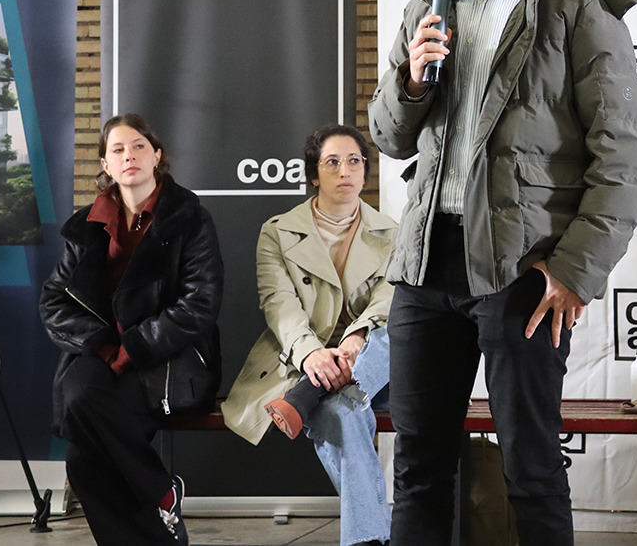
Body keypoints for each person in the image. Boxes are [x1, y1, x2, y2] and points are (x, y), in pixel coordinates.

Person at [368, 0, 637, 546]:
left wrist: (575, 269)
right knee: (418, 467)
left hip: (522, 267)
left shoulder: (575, 3)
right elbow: (389, 136)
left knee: (530, 466)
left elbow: (624, 156)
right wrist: (411, 79)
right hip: (426, 261)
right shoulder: (427, 1)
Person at [39, 114, 223, 546]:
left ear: (157, 156)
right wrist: (105, 346)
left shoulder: (190, 218)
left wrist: (134, 347)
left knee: (84, 456)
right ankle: (162, 493)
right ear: (106, 164)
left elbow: (200, 303)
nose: (129, 156)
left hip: (169, 360)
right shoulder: (87, 225)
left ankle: (159, 511)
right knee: (82, 404)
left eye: (139, 146)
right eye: (118, 149)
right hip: (102, 353)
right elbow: (54, 301)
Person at [222, 125, 398, 546]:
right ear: (314, 175)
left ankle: (319, 392)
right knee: (341, 414)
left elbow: (389, 300)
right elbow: (279, 304)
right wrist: (311, 355)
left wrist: (356, 338)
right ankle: (371, 540)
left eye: (354, 161)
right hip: (305, 361)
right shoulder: (278, 231)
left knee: (400, 328)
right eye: (332, 162)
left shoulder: (393, 232)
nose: (345, 171)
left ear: (365, 170)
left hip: (374, 364)